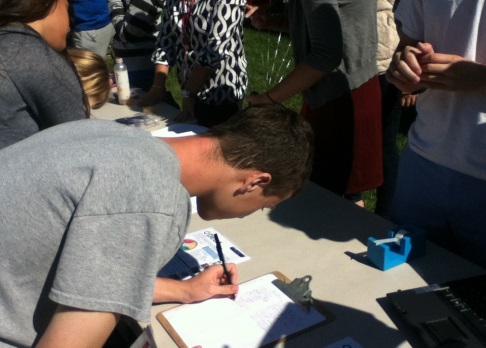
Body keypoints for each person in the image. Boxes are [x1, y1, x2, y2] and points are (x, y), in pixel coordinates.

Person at [0, 103, 314, 347]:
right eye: (264, 206)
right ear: (255, 181)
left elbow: (94, 277)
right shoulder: (152, 195)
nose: (248, 215)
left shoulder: (115, 137)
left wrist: (187, 291)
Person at [246, 0, 382, 206]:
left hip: (338, 99)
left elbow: (326, 55)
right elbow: (327, 30)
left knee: (325, 199)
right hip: (350, 89)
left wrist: (268, 99)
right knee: (344, 195)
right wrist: (276, 22)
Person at [386, 0, 486, 267]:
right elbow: (407, 44)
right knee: (397, 286)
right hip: (422, 162)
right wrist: (405, 65)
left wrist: (480, 79)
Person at [138, 0, 248, 128]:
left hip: (220, 91)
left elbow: (215, 51)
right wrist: (158, 86)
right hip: (190, 87)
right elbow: (165, 42)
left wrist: (189, 93)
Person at [0, 0, 89, 150]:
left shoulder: (8, 44)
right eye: (67, 9)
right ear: (52, 4)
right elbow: (81, 141)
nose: (69, 27)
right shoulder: (30, 54)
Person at [108, 0, 164, 91]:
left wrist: (114, 2)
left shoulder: (145, 2)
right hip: (130, 64)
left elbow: (127, 34)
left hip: (139, 70)